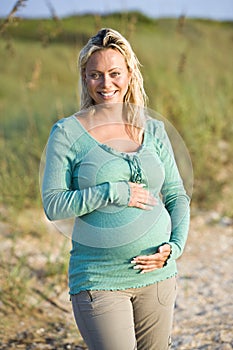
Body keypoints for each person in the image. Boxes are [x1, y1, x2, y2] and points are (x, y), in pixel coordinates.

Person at [42, 28, 190, 350]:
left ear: (129, 74)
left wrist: (174, 248)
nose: (106, 84)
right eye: (95, 75)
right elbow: (54, 204)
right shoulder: (67, 133)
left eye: (114, 73)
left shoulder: (153, 129)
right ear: (85, 77)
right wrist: (113, 191)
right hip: (100, 278)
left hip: (159, 275)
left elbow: (177, 194)